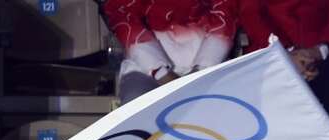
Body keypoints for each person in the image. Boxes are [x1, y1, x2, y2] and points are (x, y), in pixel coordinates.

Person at [239, 0, 329, 140]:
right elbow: (250, 13)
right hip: (271, 51)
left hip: (326, 51)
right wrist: (285, 52)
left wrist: (319, 50)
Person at [102, 0, 239, 105]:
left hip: (209, 71)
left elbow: (225, 17)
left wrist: (201, 71)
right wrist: (161, 72)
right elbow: (124, 16)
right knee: (136, 108)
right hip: (145, 71)